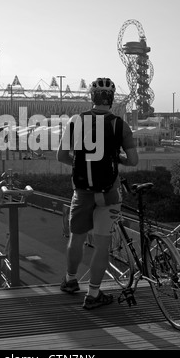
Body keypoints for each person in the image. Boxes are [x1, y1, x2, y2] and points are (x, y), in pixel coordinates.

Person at [57, 77, 138, 310]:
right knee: (102, 245)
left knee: (77, 237)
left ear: (91, 97)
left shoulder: (75, 121)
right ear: (111, 99)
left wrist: (80, 162)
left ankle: (71, 281)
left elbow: (61, 157)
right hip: (109, 192)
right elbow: (133, 160)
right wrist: (115, 158)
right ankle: (93, 295)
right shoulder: (120, 124)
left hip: (81, 192)